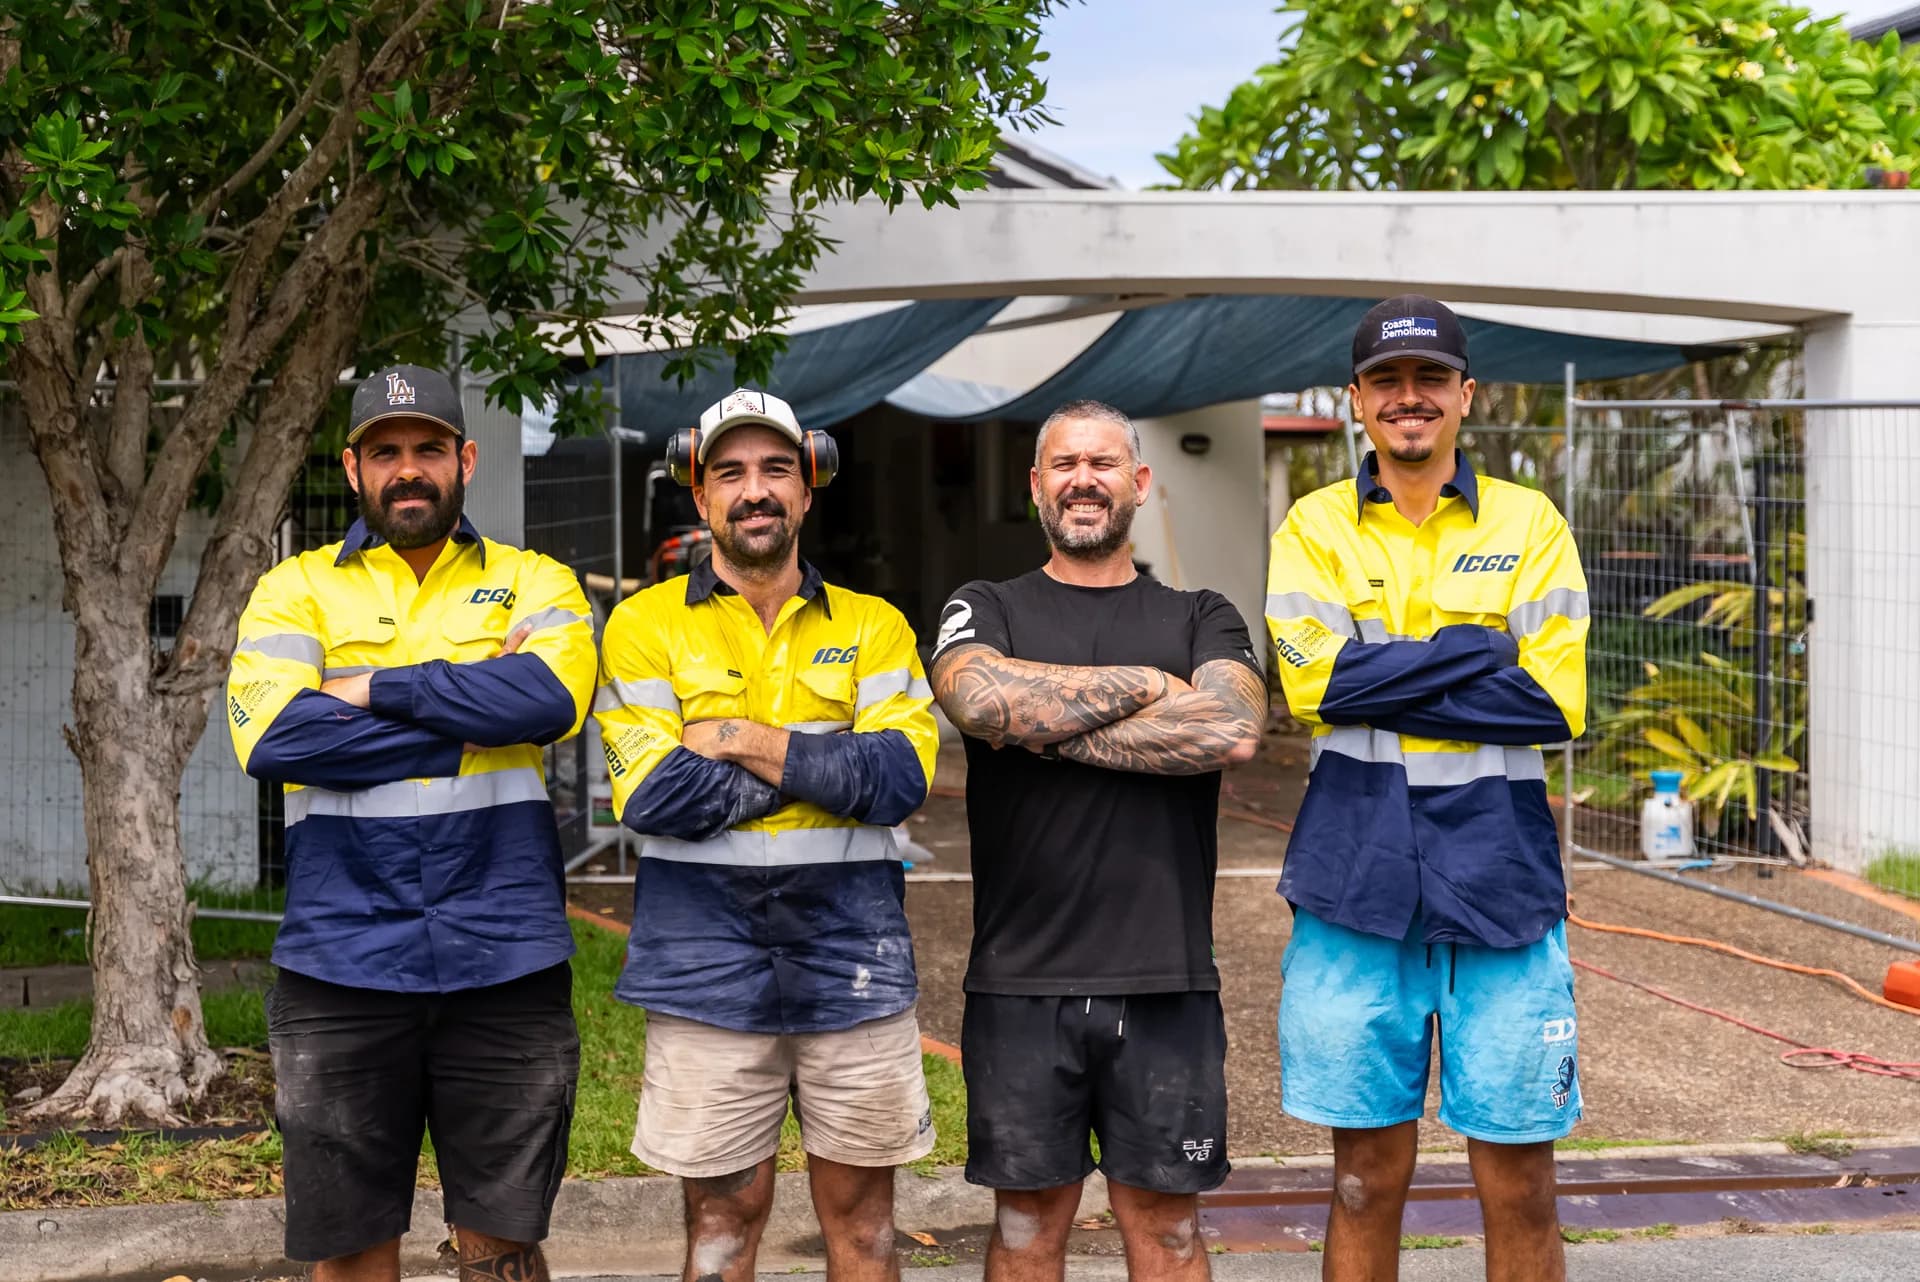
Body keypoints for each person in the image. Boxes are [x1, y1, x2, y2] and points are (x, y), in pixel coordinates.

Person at [229, 364, 597, 1282]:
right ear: (352, 469)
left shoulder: (537, 581)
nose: (407, 470)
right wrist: (468, 722)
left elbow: (549, 699)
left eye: (428, 448)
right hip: (342, 956)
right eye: (384, 451)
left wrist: (372, 690)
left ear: (464, 458)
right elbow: (275, 739)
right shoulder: (294, 590)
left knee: (503, 1243)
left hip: (504, 949)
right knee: (350, 1249)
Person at [1265, 297, 1590, 1282]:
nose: (1411, 398)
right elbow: (1317, 687)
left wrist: (1392, 671)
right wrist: (1477, 650)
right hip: (1356, 881)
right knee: (1364, 1173)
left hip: (1501, 877)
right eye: (1389, 381)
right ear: (1357, 399)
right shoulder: (1313, 526)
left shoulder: (1530, 523)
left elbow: (1554, 701)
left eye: (1432, 379)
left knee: (1521, 1176)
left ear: (1465, 395)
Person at [594, 388, 940, 1282]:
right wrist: (825, 763)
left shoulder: (875, 625)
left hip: (853, 958)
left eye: (777, 470)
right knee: (720, 1223)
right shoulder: (642, 625)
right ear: (700, 495)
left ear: (809, 488)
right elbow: (656, 796)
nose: (756, 490)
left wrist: (740, 739)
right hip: (703, 960)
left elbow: (898, 780)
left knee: (863, 1225)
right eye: (732, 473)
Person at [929, 400, 1268, 1282]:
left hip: (1167, 977)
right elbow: (975, 701)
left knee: (1169, 1234)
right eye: (1065, 464)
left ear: (1140, 484)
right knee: (1023, 1232)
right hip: (1020, 978)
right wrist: (1156, 689)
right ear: (1037, 485)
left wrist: (1039, 722)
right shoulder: (984, 604)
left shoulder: (1204, 613)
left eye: (1105, 463)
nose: (1085, 479)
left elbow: (1230, 730)